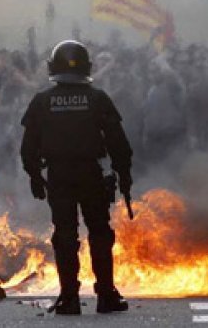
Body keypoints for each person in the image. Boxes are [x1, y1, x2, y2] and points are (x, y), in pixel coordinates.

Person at [20, 40, 132, 315]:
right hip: (91, 175)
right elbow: (119, 144)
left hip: (59, 176)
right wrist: (124, 175)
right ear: (87, 67)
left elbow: (28, 147)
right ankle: (106, 295)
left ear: (52, 67)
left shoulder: (42, 101)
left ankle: (69, 298)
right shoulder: (97, 98)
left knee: (65, 235)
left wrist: (35, 176)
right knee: (100, 234)